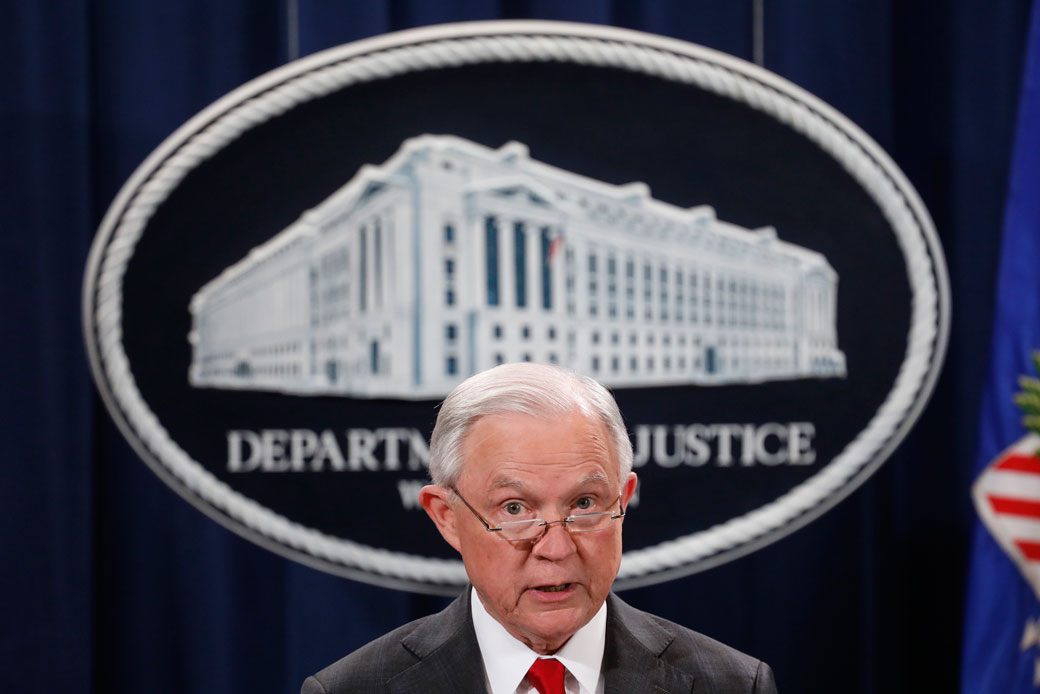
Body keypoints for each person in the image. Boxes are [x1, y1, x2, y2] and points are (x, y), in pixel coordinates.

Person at [302, 362, 777, 693]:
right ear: (446, 517)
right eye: (514, 509)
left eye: (585, 503)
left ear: (623, 501)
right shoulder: (354, 689)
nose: (555, 547)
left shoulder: (732, 684)